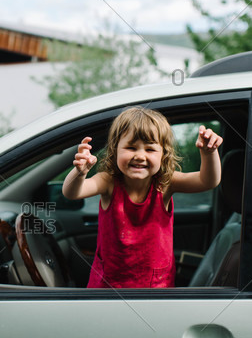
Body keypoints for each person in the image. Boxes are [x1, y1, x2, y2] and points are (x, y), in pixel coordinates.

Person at [62, 106, 223, 288]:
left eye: (150, 149)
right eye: (131, 147)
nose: (140, 156)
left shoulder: (166, 182)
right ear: (115, 150)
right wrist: (79, 172)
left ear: (163, 154)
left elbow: (207, 181)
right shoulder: (108, 182)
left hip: (155, 288)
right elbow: (72, 192)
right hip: (108, 287)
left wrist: (209, 153)